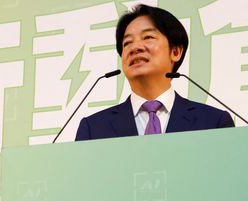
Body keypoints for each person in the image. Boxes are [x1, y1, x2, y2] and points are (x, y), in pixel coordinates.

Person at [76, 4, 234, 140]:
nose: (135, 47)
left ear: (176, 52)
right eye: (127, 43)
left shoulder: (214, 123)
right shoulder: (93, 129)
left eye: (148, 37)